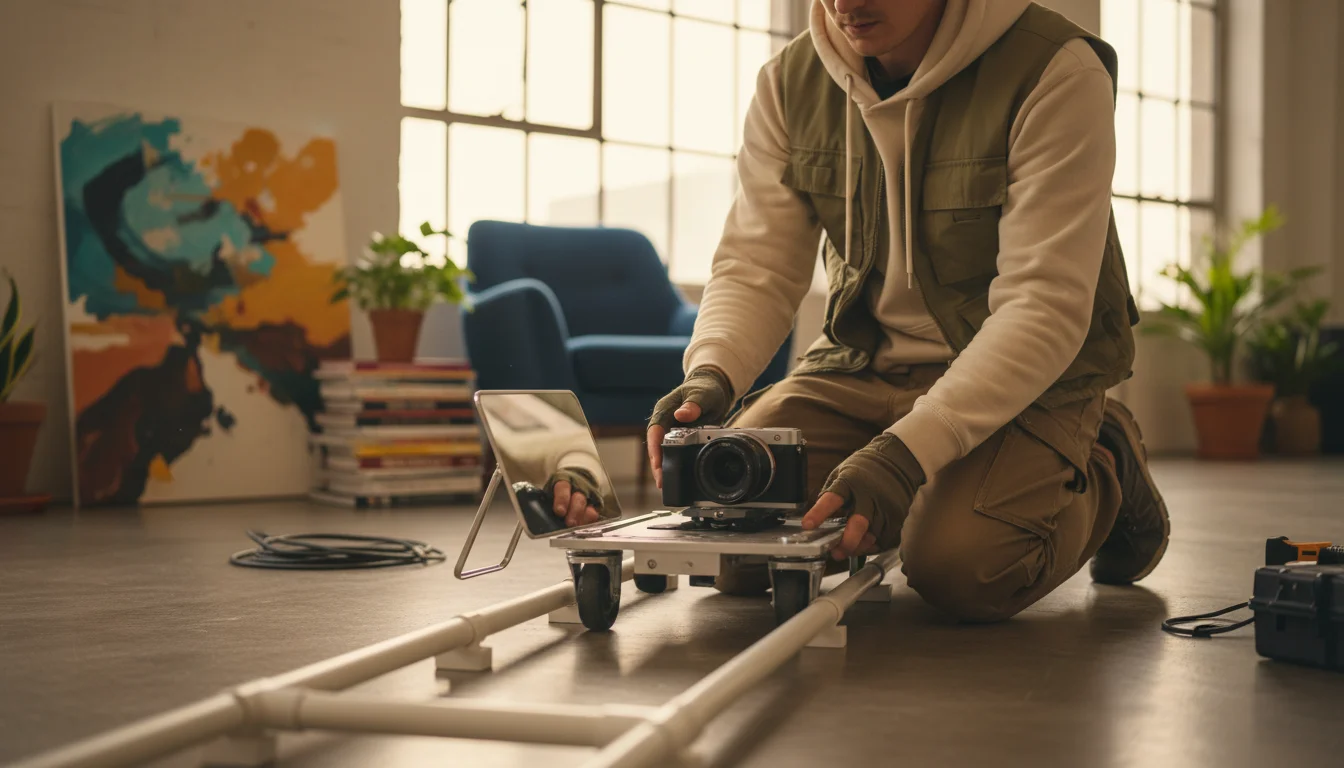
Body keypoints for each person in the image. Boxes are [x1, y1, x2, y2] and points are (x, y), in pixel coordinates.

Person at [647, 0, 1169, 622]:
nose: (846, 5)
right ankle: (911, 494)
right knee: (734, 547)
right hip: (858, 365)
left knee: (961, 569)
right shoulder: (789, 84)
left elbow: (1042, 307)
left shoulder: (1055, 69)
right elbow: (756, 266)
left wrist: (902, 458)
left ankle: (1104, 457)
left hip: (1028, 382)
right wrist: (714, 372)